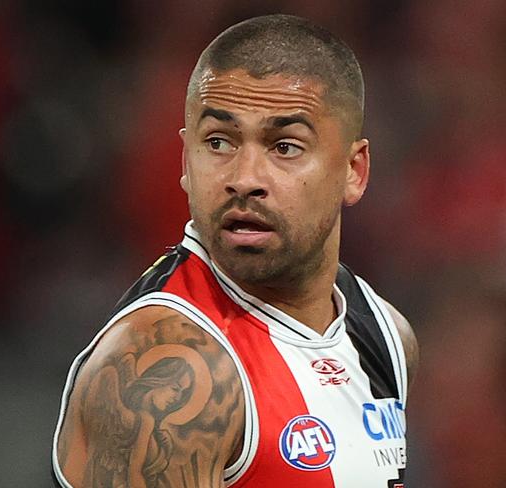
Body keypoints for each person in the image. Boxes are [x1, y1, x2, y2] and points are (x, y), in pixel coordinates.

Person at [52, 14, 419, 488]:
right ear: (186, 161)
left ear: (354, 170)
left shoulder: (387, 338)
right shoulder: (173, 371)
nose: (244, 179)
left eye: (284, 147)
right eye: (219, 142)